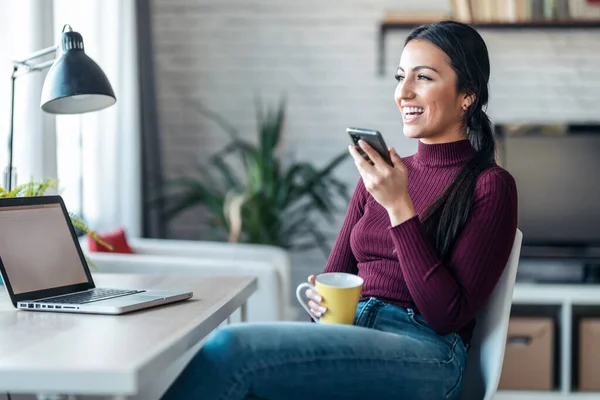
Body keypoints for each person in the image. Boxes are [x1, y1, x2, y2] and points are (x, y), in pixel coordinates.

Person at [162, 20, 518, 400]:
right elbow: (335, 276)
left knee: (232, 351)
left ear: (468, 94)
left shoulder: (490, 186)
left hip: (428, 354)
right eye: (400, 77)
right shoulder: (386, 173)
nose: (403, 92)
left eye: (423, 78)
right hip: (351, 331)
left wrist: (399, 206)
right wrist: (319, 300)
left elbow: (446, 315)